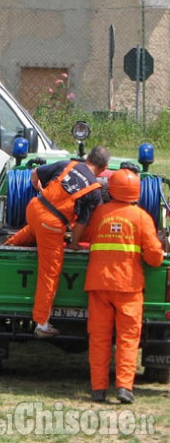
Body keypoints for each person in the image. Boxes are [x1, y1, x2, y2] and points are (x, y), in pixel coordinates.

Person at [4, 146, 110, 338]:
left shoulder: (67, 164)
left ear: (87, 158)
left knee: (32, 231)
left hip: (35, 207)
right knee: (50, 273)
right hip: (52, 224)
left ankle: (7, 246)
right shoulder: (94, 190)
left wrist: (37, 185)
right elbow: (81, 225)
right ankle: (42, 323)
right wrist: (74, 244)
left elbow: (35, 173)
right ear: (104, 168)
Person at [84, 169, 164, 404]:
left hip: (99, 285)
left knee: (99, 339)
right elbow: (154, 257)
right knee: (128, 339)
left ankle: (98, 389)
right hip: (129, 287)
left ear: (111, 189)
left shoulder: (99, 213)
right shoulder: (142, 217)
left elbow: (85, 235)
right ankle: (124, 388)